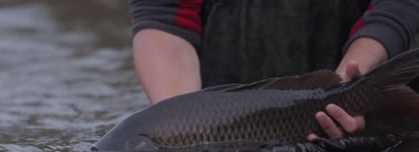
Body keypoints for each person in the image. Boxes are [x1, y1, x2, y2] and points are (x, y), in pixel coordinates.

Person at [128, 0, 419, 140]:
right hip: (228, 132)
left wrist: (351, 89)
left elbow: (394, 9)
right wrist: (181, 127)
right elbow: (165, 20)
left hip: (372, 127)